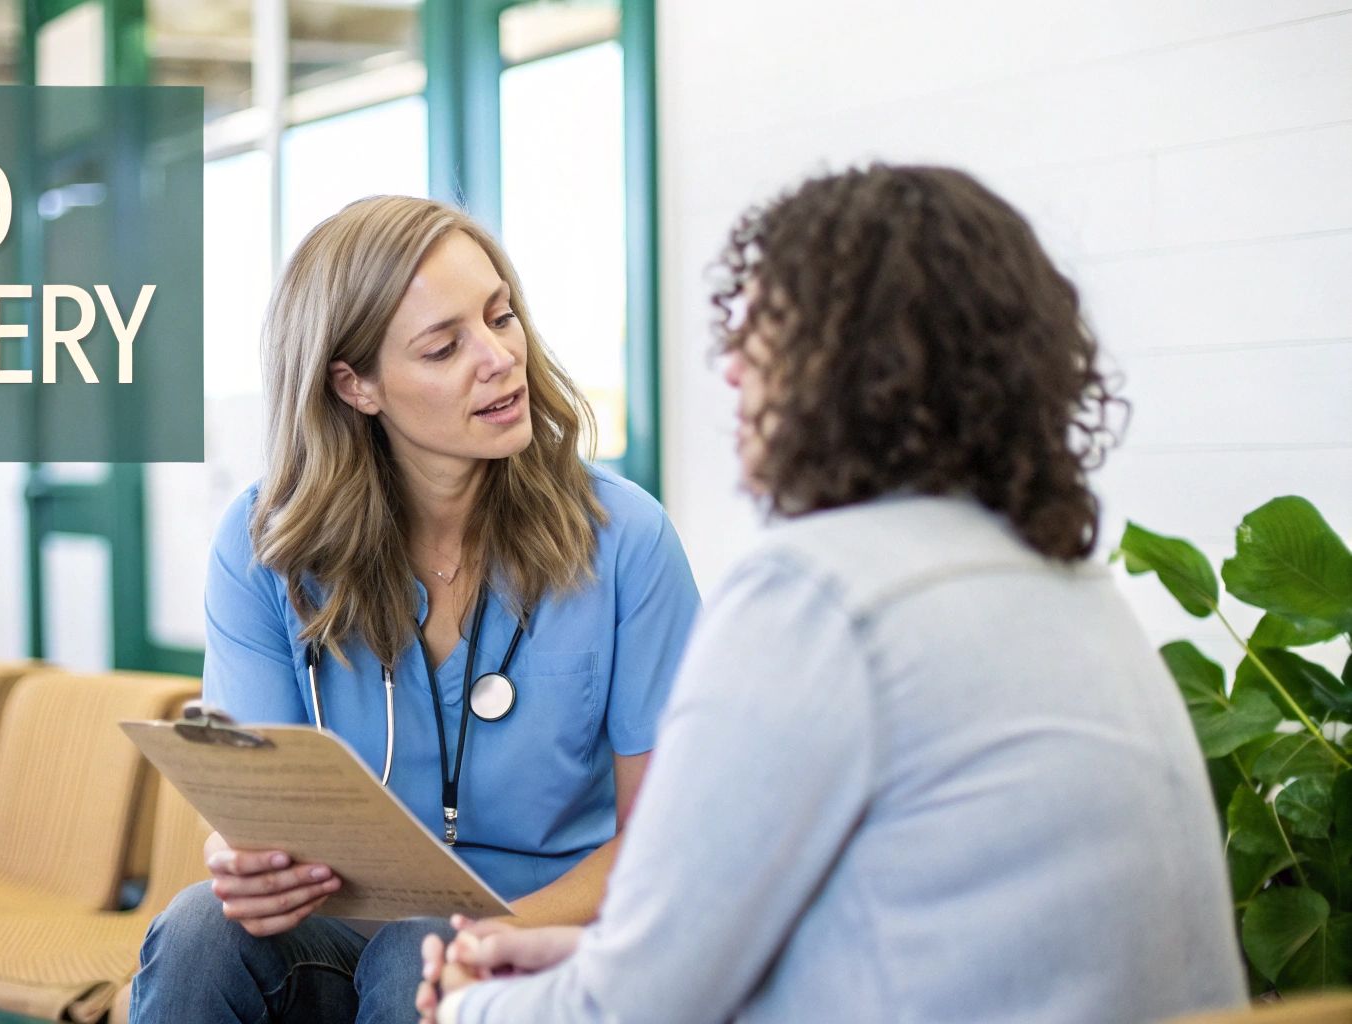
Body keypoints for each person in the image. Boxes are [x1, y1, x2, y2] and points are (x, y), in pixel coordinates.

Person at [415, 165, 1247, 1023]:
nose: (731, 372)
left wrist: (468, 1006)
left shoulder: (816, 599)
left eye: (763, 335)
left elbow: (624, 1016)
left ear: (862, 369)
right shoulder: (1069, 585)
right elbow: (894, 943)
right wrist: (590, 955)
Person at [130, 195, 702, 1024]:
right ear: (355, 385)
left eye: (501, 317)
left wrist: (474, 940)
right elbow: (258, 816)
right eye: (445, 346)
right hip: (349, 932)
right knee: (197, 931)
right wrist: (247, 865)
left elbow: (667, 843)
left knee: (418, 956)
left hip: (546, 942)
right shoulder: (267, 546)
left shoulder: (626, 539)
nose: (501, 357)